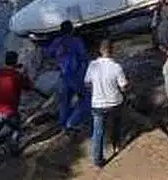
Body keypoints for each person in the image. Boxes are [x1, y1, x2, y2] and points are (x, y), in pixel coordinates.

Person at [84, 39, 129, 168]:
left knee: (98, 131)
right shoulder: (116, 67)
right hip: (114, 103)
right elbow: (124, 86)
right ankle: (116, 145)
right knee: (116, 124)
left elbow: (87, 83)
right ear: (112, 50)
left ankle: (98, 160)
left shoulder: (92, 65)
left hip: (98, 104)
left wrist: (95, 88)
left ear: (100, 50)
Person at [44, 21, 89, 133]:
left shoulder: (57, 42)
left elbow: (48, 53)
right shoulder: (76, 41)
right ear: (72, 30)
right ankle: (72, 122)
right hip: (75, 75)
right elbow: (83, 57)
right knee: (85, 99)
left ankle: (63, 123)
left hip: (63, 76)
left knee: (64, 101)